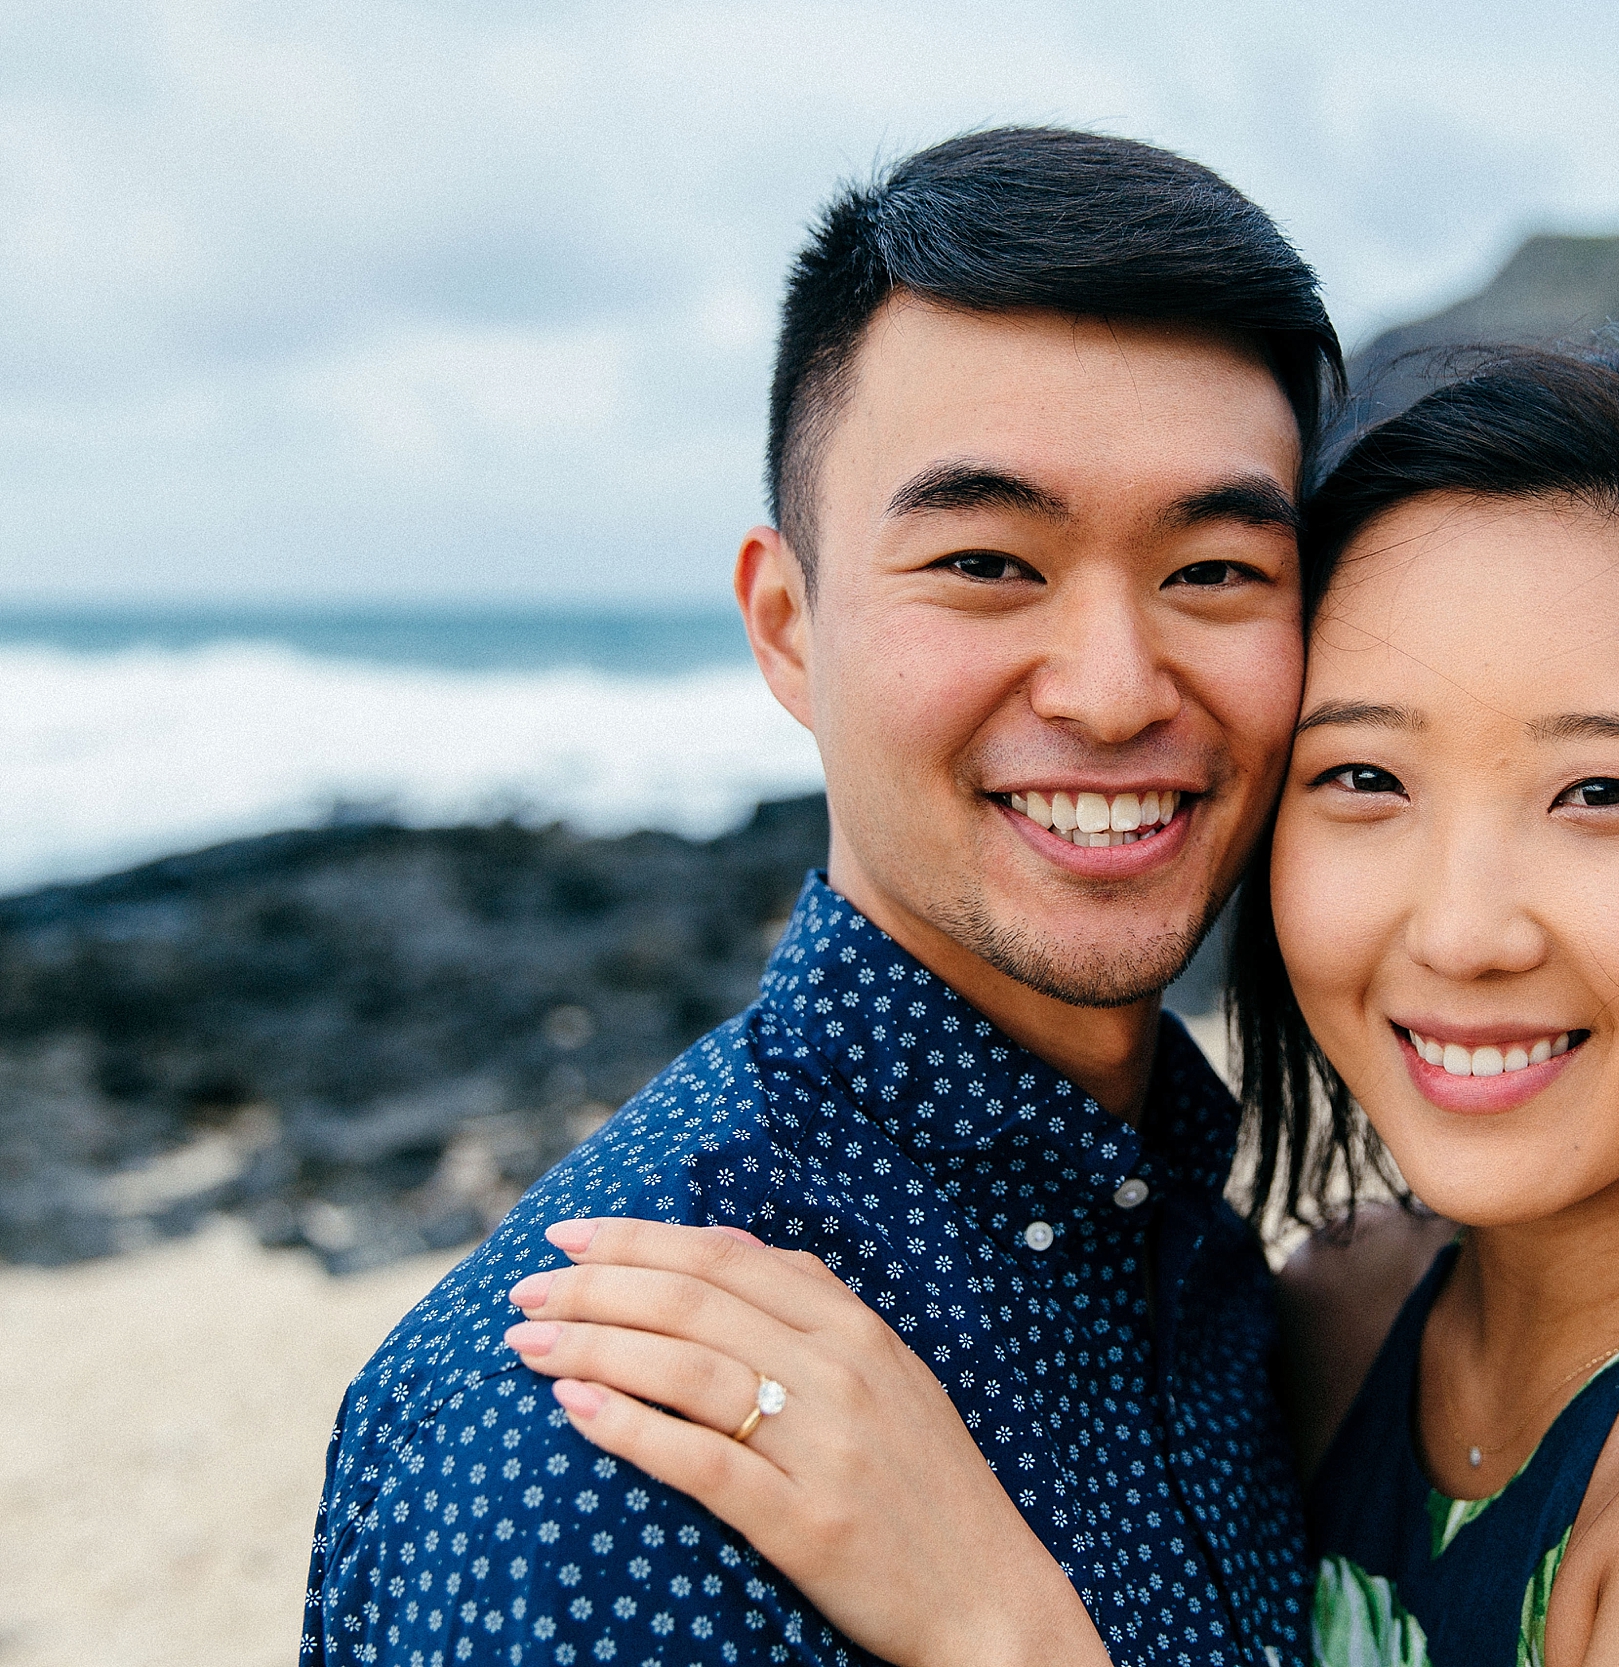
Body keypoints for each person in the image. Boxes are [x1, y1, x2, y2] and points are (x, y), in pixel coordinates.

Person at [504, 345, 1619, 1665]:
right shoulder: (1335, 1315)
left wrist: (1008, 1632)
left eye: (1603, 792)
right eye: (1365, 778)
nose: (1460, 933)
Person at [301, 127, 1342, 1667]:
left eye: (1213, 573)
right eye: (989, 560)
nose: (1118, 692)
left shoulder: (1204, 1265)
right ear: (788, 628)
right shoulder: (607, 1427)